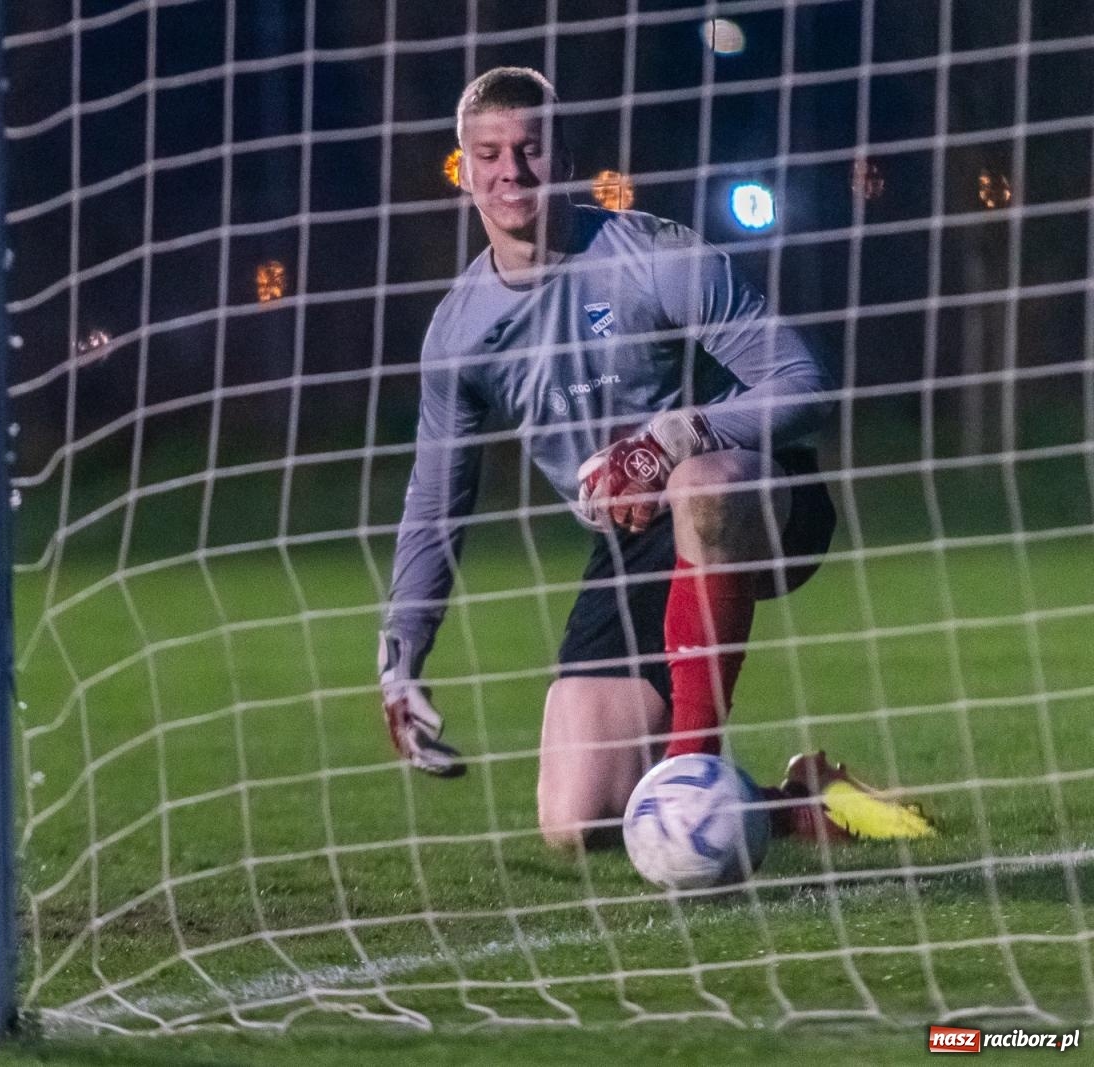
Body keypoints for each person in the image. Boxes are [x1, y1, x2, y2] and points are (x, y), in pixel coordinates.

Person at [378, 66, 932, 847]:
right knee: (575, 820)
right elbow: (434, 506)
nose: (513, 171)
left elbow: (804, 382)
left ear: (564, 158)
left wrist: (673, 437)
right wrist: (400, 658)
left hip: (759, 492)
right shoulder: (459, 334)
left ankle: (690, 772)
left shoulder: (656, 257)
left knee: (698, 484)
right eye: (491, 153)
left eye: (531, 148)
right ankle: (801, 801)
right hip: (635, 545)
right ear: (464, 169)